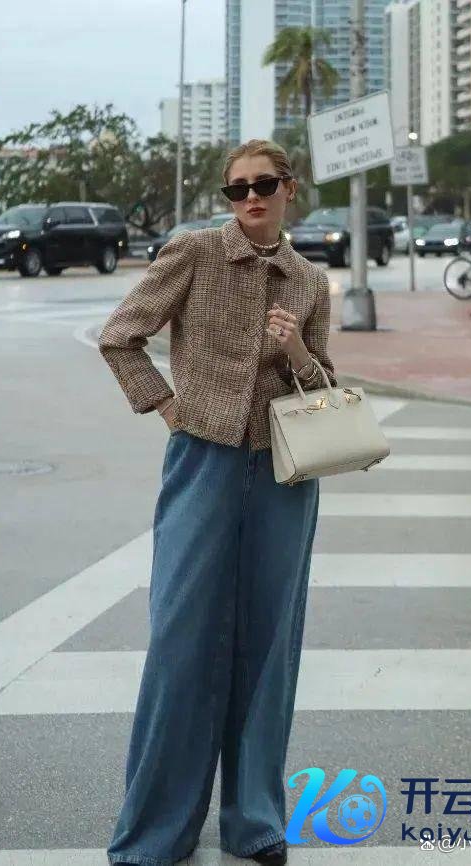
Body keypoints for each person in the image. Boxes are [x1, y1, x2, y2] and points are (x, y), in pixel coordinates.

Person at [98, 138, 337, 866]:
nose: (250, 198)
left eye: (264, 185)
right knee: (182, 639)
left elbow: (325, 387)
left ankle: (255, 820)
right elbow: (120, 338)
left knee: (270, 643)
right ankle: (155, 832)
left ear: (289, 188)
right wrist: (170, 408)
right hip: (202, 463)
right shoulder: (196, 252)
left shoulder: (309, 280)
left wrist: (295, 351)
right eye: (238, 189)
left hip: (285, 473)